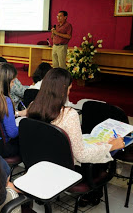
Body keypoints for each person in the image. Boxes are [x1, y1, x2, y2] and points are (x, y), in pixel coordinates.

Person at [27, 68, 125, 206]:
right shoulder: (68, 115)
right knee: (103, 157)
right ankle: (90, 195)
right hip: (65, 171)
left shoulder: (32, 107)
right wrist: (111, 146)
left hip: (41, 165)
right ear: (62, 90)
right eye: (69, 89)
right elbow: (82, 156)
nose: (69, 93)